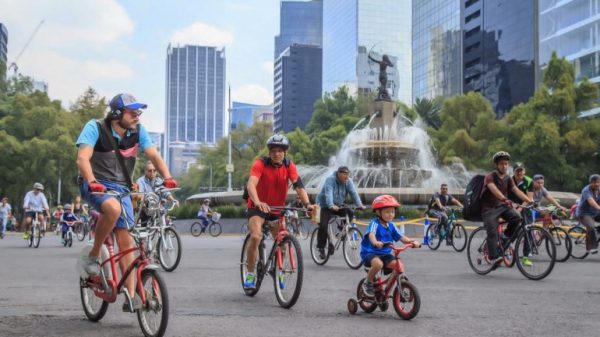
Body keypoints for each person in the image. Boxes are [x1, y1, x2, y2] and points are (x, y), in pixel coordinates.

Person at [76, 93, 177, 312]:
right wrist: (92, 181)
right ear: (116, 113)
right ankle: (94, 255)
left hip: (121, 189)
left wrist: (167, 177)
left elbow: (154, 155)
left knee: (127, 243)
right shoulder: (95, 127)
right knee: (112, 208)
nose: (137, 116)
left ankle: (131, 297)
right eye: (132, 112)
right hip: (95, 184)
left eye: (138, 112)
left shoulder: (138, 131)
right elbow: (83, 158)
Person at [243, 134, 315, 289]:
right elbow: (251, 184)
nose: (277, 153)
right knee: (256, 237)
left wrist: (308, 204)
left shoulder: (289, 166)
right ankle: (250, 273)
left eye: (280, 150)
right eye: (274, 150)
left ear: (285, 152)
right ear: (269, 152)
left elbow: (299, 186)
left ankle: (280, 272)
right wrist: (257, 201)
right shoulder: (260, 164)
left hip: (277, 208)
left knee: (282, 242)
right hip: (257, 207)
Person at [360, 195, 420, 297]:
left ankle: (388, 289)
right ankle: (368, 282)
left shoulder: (391, 225)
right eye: (387, 212)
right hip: (370, 252)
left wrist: (412, 242)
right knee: (378, 264)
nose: (390, 214)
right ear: (378, 212)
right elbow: (371, 234)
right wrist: (375, 242)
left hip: (385, 253)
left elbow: (401, 237)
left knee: (398, 265)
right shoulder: (374, 223)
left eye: (392, 211)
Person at [481, 152, 533, 268]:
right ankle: (493, 257)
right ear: (496, 165)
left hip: (502, 206)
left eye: (506, 164)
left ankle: (505, 238)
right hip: (489, 208)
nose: (504, 166)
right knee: (493, 231)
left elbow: (516, 190)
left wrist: (529, 200)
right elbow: (494, 190)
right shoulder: (490, 177)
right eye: (501, 164)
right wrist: (504, 199)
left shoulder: (508, 178)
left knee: (517, 217)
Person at [315, 166, 365, 259]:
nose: (347, 177)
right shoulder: (330, 180)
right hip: (325, 205)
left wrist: (359, 204)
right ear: (339, 174)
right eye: (345, 174)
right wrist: (330, 205)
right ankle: (321, 247)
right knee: (323, 226)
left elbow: (353, 193)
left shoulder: (348, 181)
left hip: (338, 205)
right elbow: (328, 193)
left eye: (348, 174)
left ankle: (342, 232)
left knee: (349, 212)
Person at [136, 161, 178, 226]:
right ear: (145, 171)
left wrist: (173, 200)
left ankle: (164, 230)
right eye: (150, 170)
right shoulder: (140, 181)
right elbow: (140, 193)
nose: (152, 172)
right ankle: (144, 234)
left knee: (166, 217)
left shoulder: (159, 180)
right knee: (144, 229)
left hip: (158, 207)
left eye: (154, 170)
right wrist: (142, 200)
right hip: (146, 208)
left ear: (156, 171)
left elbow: (165, 192)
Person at [575, 174, 600, 254]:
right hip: (584, 214)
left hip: (595, 213)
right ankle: (591, 247)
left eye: (598, 182)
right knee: (591, 227)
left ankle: (597, 232)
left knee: (595, 229)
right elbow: (591, 201)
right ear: (590, 182)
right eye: (594, 182)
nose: (597, 184)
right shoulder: (586, 190)